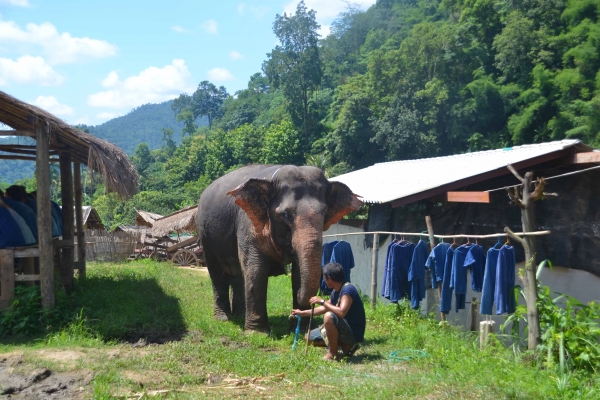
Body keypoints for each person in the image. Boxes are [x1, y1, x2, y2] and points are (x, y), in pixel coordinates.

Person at [292, 262, 366, 361]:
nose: (324, 281)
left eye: (324, 278)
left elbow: (341, 312)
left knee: (328, 316)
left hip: (352, 332)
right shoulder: (335, 292)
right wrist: (302, 313)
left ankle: (333, 353)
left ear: (329, 278)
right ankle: (346, 345)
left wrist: (322, 301)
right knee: (308, 337)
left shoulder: (348, 290)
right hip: (342, 330)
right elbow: (324, 308)